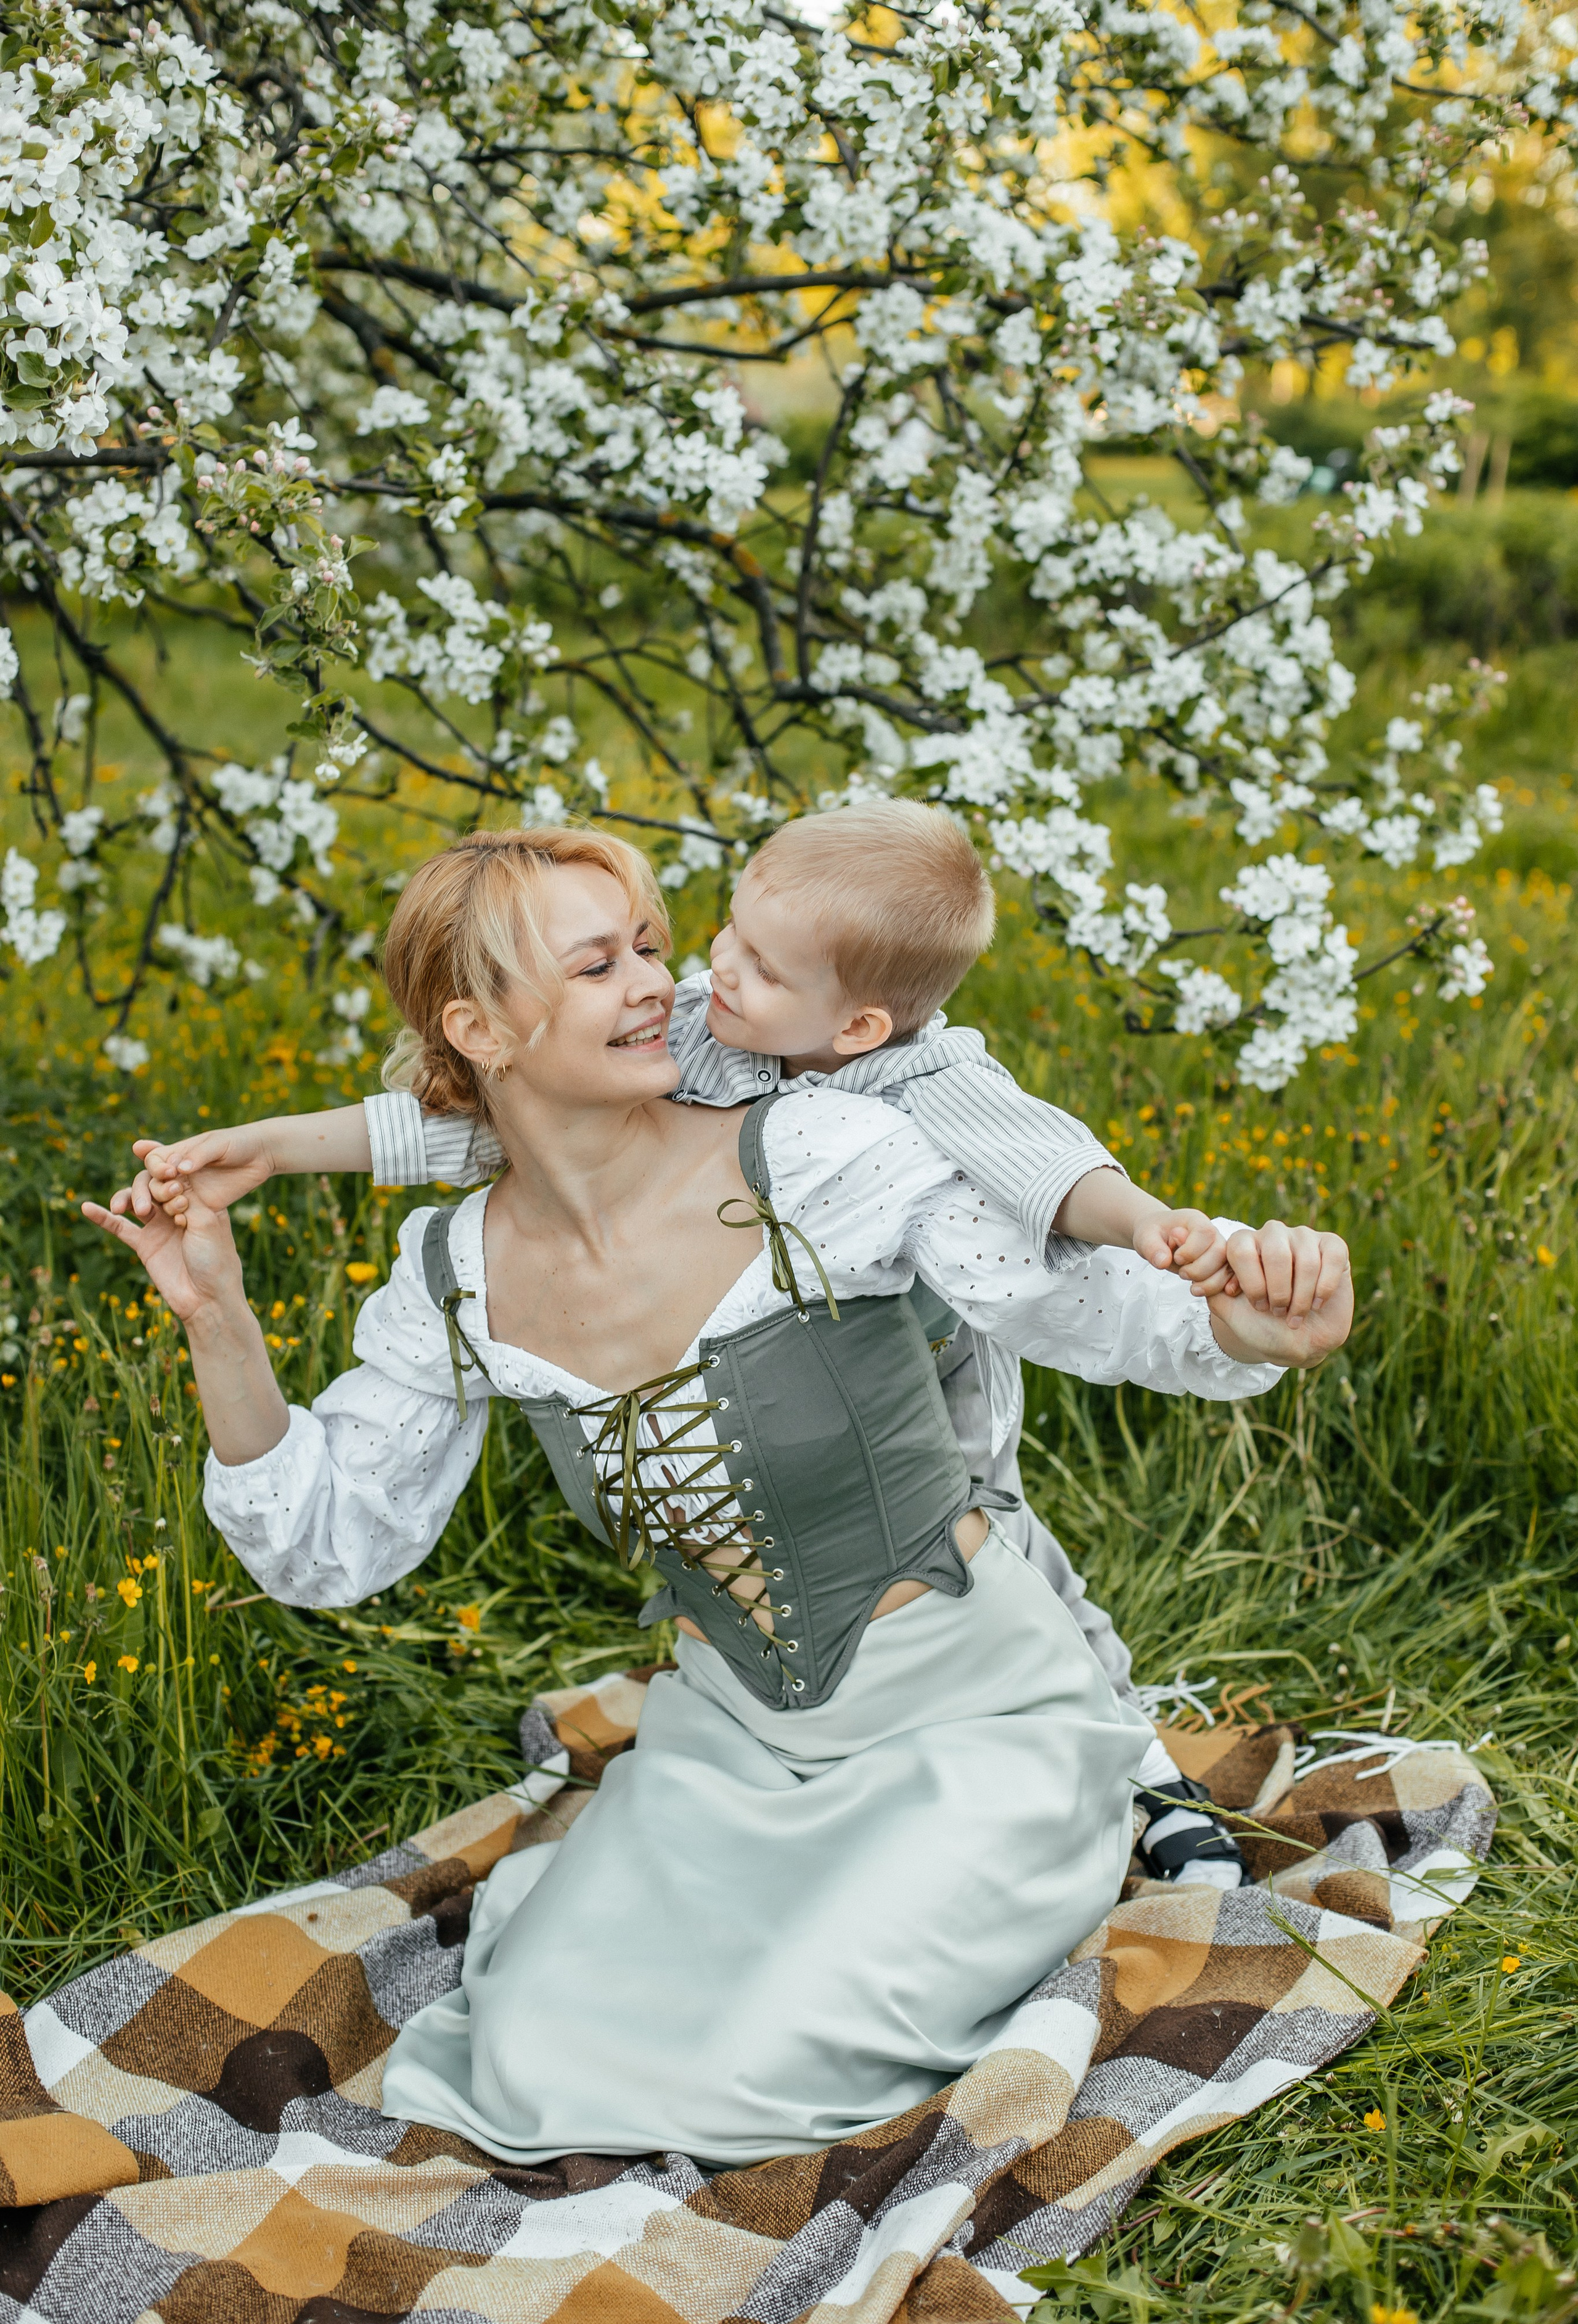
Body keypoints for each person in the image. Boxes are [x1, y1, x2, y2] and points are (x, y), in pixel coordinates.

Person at [84, 827, 1353, 2170]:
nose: (655, 983)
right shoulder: (456, 1271)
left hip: (970, 1721)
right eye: (596, 964)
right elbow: (325, 1546)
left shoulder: (812, 1154)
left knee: (770, 2062)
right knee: (526, 2064)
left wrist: (1253, 1328)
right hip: (724, 1744)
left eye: (647, 943)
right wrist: (216, 1318)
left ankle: (1084, 1807)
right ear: (482, 1028)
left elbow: (1079, 1301)